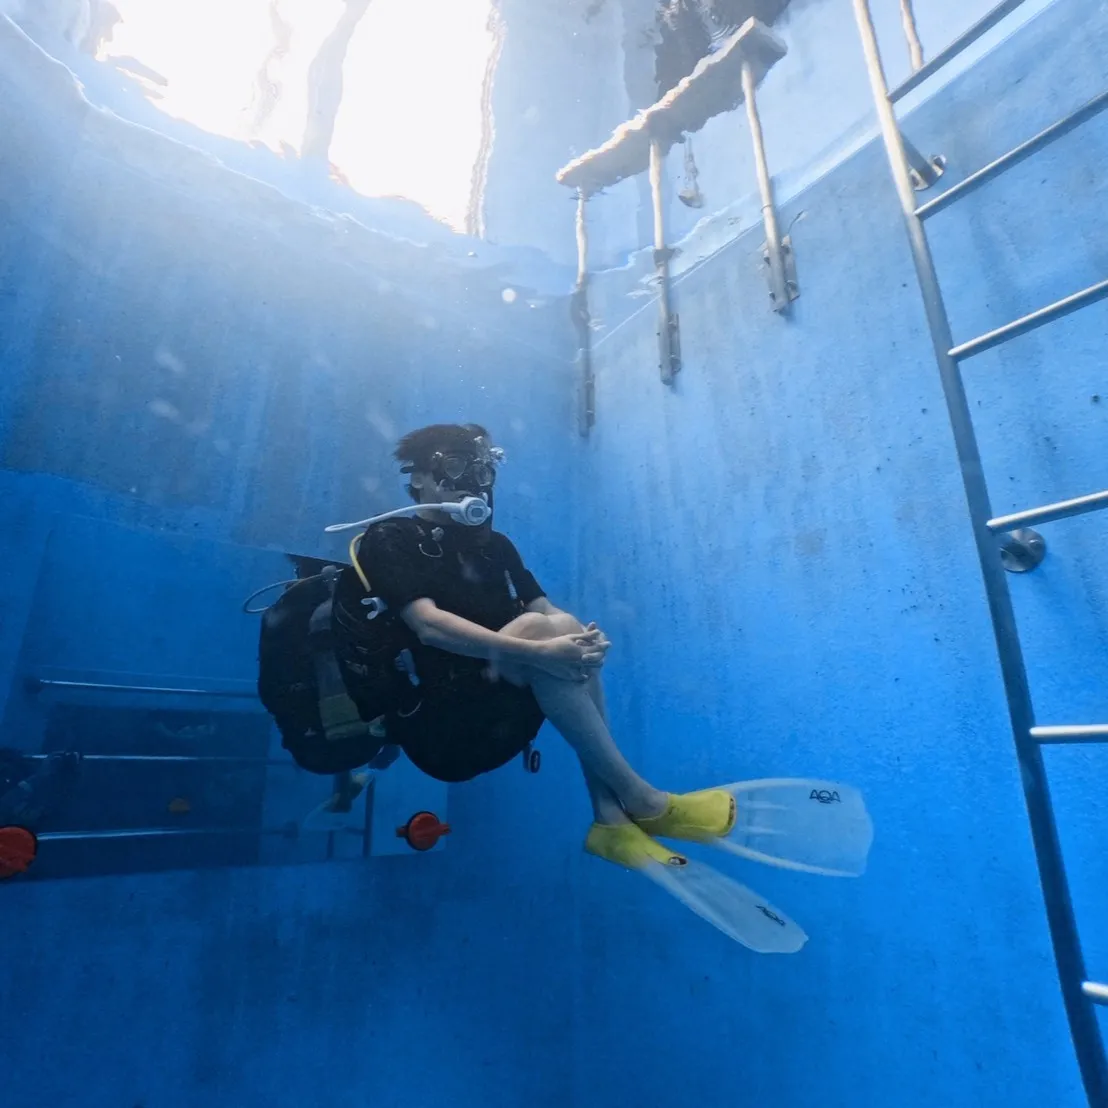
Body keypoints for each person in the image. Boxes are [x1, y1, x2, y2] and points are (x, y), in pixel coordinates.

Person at [329, 422, 736, 870]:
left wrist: (588, 641)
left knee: (564, 624)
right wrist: (542, 651)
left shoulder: (496, 547)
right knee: (540, 633)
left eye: (480, 472)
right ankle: (645, 801)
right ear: (420, 478)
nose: (471, 482)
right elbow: (427, 626)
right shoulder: (391, 539)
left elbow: (546, 609)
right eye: (457, 467)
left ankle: (610, 820)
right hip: (438, 729)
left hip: (498, 716)